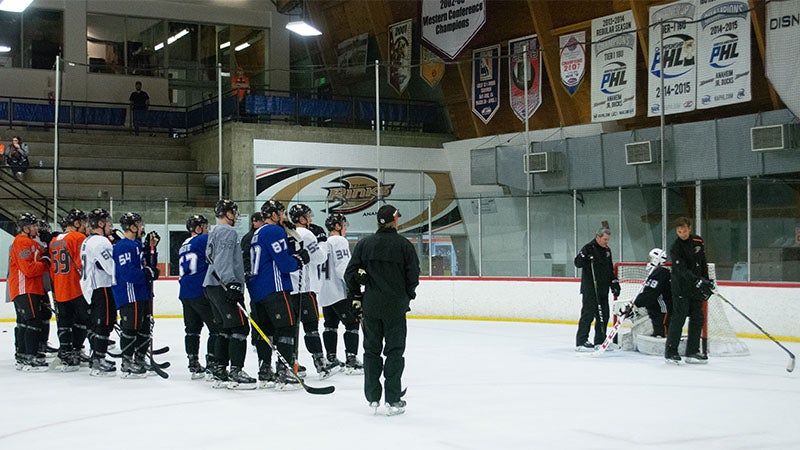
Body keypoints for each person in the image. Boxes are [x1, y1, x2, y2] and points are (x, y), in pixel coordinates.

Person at [345, 204, 419, 416]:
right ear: (395, 220)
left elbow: (350, 274)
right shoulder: (404, 245)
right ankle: (393, 398)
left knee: (371, 351)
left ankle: (373, 397)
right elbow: (413, 276)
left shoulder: (365, 244)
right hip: (395, 306)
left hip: (372, 305)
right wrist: (407, 296)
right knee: (394, 351)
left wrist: (356, 297)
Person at [247, 199, 308, 390]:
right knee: (287, 327)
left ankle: (265, 371)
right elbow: (284, 263)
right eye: (280, 213)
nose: (283, 217)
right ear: (273, 215)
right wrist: (298, 260)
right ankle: (285, 372)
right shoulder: (273, 231)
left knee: (266, 332)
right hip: (275, 287)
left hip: (258, 290)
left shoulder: (257, 233)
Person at [203, 199, 256, 389]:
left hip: (212, 284)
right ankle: (236, 371)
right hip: (223, 285)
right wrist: (231, 283)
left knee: (225, 329)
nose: (236, 215)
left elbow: (210, 257)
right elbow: (222, 260)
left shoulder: (214, 231)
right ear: (227, 214)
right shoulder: (227, 231)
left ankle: (219, 369)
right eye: (234, 212)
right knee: (240, 327)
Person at [288, 203, 337, 379]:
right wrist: (322, 242)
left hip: (288, 290)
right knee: (311, 328)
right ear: (301, 218)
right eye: (308, 216)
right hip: (305, 289)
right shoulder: (307, 234)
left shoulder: (286, 232)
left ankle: (289, 363)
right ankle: (321, 364)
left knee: (290, 330)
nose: (310, 219)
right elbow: (320, 258)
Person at [112, 212, 159, 378]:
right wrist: (146, 273)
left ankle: (139, 358)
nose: (141, 227)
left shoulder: (136, 244)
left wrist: (151, 249)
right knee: (131, 328)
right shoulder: (123, 246)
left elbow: (146, 265)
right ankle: (126, 362)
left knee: (145, 327)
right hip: (129, 293)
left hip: (141, 293)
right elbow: (128, 273)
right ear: (132, 227)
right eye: (138, 224)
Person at [318, 213, 363, 374]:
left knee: (330, 325)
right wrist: (353, 287)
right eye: (343, 224)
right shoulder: (339, 241)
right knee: (352, 324)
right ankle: (351, 360)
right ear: (337, 226)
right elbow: (342, 267)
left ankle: (331, 358)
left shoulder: (323, 242)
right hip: (339, 291)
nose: (345, 227)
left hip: (324, 292)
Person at [666, 217, 714, 365]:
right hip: (681, 288)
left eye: (684, 230)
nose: (682, 234)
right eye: (679, 231)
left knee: (697, 318)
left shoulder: (698, 241)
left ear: (690, 228)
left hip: (696, 288)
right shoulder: (676, 247)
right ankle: (671, 351)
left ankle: (692, 351)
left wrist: (706, 280)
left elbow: (702, 262)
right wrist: (696, 280)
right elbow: (681, 270)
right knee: (679, 318)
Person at [178, 214, 221, 380]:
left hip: (185, 292)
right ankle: (212, 363)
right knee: (216, 329)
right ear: (197, 228)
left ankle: (193, 363)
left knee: (192, 330)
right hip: (201, 291)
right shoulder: (203, 240)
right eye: (204, 226)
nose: (207, 229)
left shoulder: (183, 244)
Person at [239, 211, 277, 388]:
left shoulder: (256, 236)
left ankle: (261, 346)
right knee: (260, 316)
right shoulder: (251, 237)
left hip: (257, 281)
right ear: (254, 222)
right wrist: (248, 274)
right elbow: (246, 259)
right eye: (259, 221)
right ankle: (258, 340)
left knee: (260, 315)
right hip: (259, 282)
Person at [8, 213, 50, 371]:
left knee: (27, 322)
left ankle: (23, 355)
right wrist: (44, 263)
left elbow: (41, 253)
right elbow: (28, 269)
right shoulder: (22, 242)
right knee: (32, 321)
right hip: (24, 287)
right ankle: (29, 357)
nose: (36, 228)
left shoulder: (30, 242)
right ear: (25, 228)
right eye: (33, 226)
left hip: (30, 288)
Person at [79, 208, 118, 377]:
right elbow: (111, 267)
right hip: (101, 287)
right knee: (104, 323)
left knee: (96, 323)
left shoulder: (87, 241)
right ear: (100, 224)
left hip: (89, 288)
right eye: (108, 223)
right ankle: (98, 360)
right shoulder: (101, 242)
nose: (111, 226)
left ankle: (96, 356)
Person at [49, 209, 89, 371]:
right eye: (84, 223)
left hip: (59, 288)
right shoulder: (79, 238)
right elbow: (82, 264)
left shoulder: (54, 240)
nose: (86, 226)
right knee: (82, 321)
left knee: (64, 323)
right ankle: (76, 350)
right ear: (77, 223)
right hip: (75, 287)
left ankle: (65, 352)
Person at [573, 227, 621, 352]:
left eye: (608, 239)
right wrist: (584, 256)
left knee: (603, 315)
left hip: (602, 289)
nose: (607, 242)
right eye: (605, 239)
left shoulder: (607, 250)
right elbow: (577, 263)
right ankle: (581, 341)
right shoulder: (588, 248)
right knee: (588, 315)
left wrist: (614, 282)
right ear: (598, 237)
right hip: (590, 288)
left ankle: (600, 341)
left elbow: (609, 269)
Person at [619, 248, 672, 338]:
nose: (649, 260)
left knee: (661, 334)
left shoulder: (661, 273)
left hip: (663, 310)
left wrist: (635, 304)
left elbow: (650, 293)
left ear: (656, 259)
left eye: (651, 258)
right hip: (655, 309)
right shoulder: (656, 272)